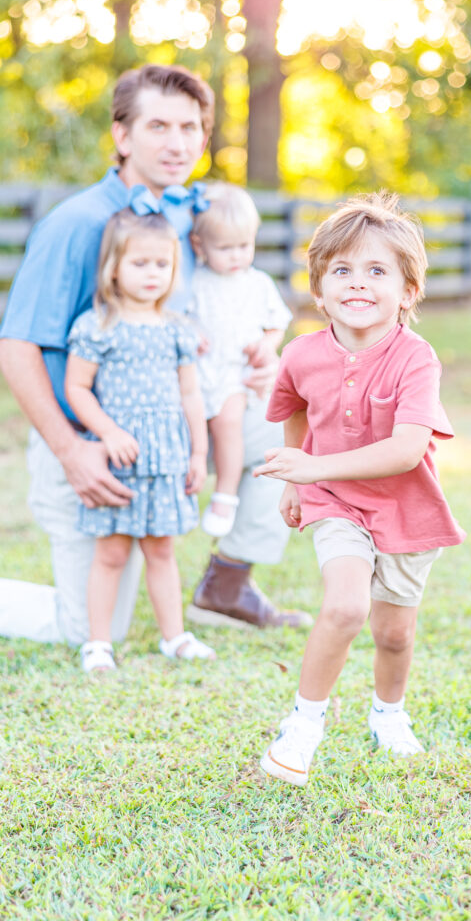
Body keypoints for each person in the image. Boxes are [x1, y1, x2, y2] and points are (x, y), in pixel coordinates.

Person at [0, 62, 309, 648]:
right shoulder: (76, 225)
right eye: (158, 126)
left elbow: (228, 298)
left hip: (172, 433)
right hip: (92, 445)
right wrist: (72, 451)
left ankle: (228, 584)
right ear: (122, 135)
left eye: (190, 128)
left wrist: (263, 354)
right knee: (88, 626)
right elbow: (16, 348)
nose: (178, 144)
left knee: (289, 433)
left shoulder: (190, 217)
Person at [254, 192, 466, 786]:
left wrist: (310, 467)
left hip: (406, 507)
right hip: (335, 501)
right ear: (319, 290)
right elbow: (296, 407)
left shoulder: (416, 359)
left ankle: (388, 715)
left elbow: (405, 451)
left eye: (377, 271)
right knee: (345, 606)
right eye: (342, 270)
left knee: (394, 634)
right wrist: (298, 478)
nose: (358, 283)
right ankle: (302, 728)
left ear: (408, 291)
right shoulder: (301, 354)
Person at [66, 209, 215, 671]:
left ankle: (174, 637)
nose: (153, 273)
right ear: (114, 267)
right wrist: (108, 432)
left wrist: (198, 453)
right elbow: (77, 388)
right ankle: (98, 643)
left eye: (162, 264)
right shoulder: (97, 326)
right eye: (140, 263)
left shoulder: (177, 329)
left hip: (167, 456)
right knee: (111, 552)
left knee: (161, 549)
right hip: (120, 458)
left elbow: (190, 394)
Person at [188, 182, 292, 538]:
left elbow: (277, 323)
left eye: (244, 246)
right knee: (190, 428)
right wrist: (189, 331)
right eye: (225, 248)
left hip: (233, 374)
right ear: (199, 245)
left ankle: (225, 494)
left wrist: (266, 343)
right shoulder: (194, 282)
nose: (236, 256)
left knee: (228, 422)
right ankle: (188, 486)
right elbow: (177, 316)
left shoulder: (257, 283)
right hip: (195, 374)